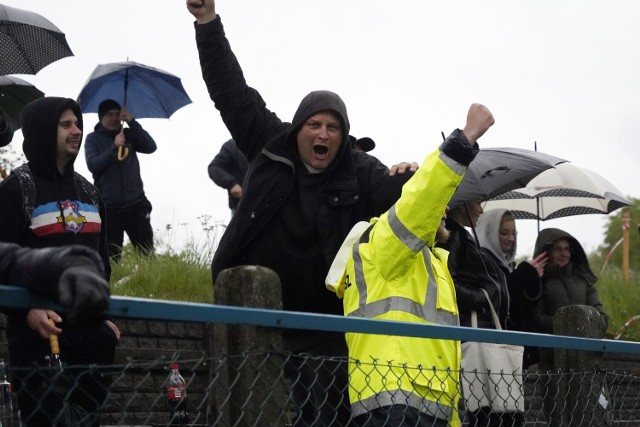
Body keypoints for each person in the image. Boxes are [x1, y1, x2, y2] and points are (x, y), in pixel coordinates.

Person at [186, 1, 417, 424]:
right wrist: (207, 23)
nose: (323, 134)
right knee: (245, 409)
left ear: (344, 136)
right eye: (315, 125)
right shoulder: (268, 142)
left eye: (333, 127)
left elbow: (403, 206)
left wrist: (410, 178)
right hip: (253, 310)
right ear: (298, 129)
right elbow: (229, 90)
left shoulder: (361, 171)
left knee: (325, 414)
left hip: (323, 326)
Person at [326, 103, 494, 426]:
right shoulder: (383, 243)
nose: (444, 207)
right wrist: (465, 140)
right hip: (396, 407)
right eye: (436, 203)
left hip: (424, 407)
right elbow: (421, 201)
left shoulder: (428, 259)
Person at [0, 97, 120, 426]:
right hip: (38, 337)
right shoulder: (16, 190)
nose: (76, 131)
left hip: (91, 339)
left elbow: (101, 263)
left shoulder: (90, 193)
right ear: (42, 131)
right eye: (65, 125)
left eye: (77, 124)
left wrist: (105, 319)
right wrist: (26, 310)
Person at [439, 202, 526, 426]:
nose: (480, 208)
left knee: (496, 411)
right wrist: (481, 297)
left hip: (488, 336)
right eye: (477, 201)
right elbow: (447, 282)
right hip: (478, 336)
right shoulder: (455, 237)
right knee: (489, 412)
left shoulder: (465, 238)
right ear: (463, 205)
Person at [532, 228, 608, 427]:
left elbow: (602, 316)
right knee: (557, 418)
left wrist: (584, 325)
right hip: (552, 363)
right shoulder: (539, 283)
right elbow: (536, 319)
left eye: (567, 248)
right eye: (558, 249)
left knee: (589, 417)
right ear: (547, 252)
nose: (564, 253)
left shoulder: (584, 280)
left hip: (587, 365)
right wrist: (565, 325)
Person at [84, 99, 157, 261]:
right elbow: (93, 165)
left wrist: (132, 122)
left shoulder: (129, 135)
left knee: (148, 254)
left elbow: (151, 147)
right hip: (109, 208)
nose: (115, 118)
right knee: (111, 258)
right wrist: (113, 148)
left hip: (137, 205)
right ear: (101, 118)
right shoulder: (92, 139)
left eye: (117, 114)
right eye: (110, 114)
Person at [475, 208, 547, 367]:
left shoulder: (508, 266)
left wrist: (533, 279)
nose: (510, 239)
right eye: (504, 233)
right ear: (490, 233)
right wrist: (522, 274)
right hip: (494, 347)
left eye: (514, 233)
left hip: (514, 348)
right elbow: (496, 295)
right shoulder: (482, 262)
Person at [208, 138, 248, 216]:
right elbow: (214, 167)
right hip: (241, 209)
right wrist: (232, 184)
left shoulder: (268, 143)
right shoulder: (232, 146)